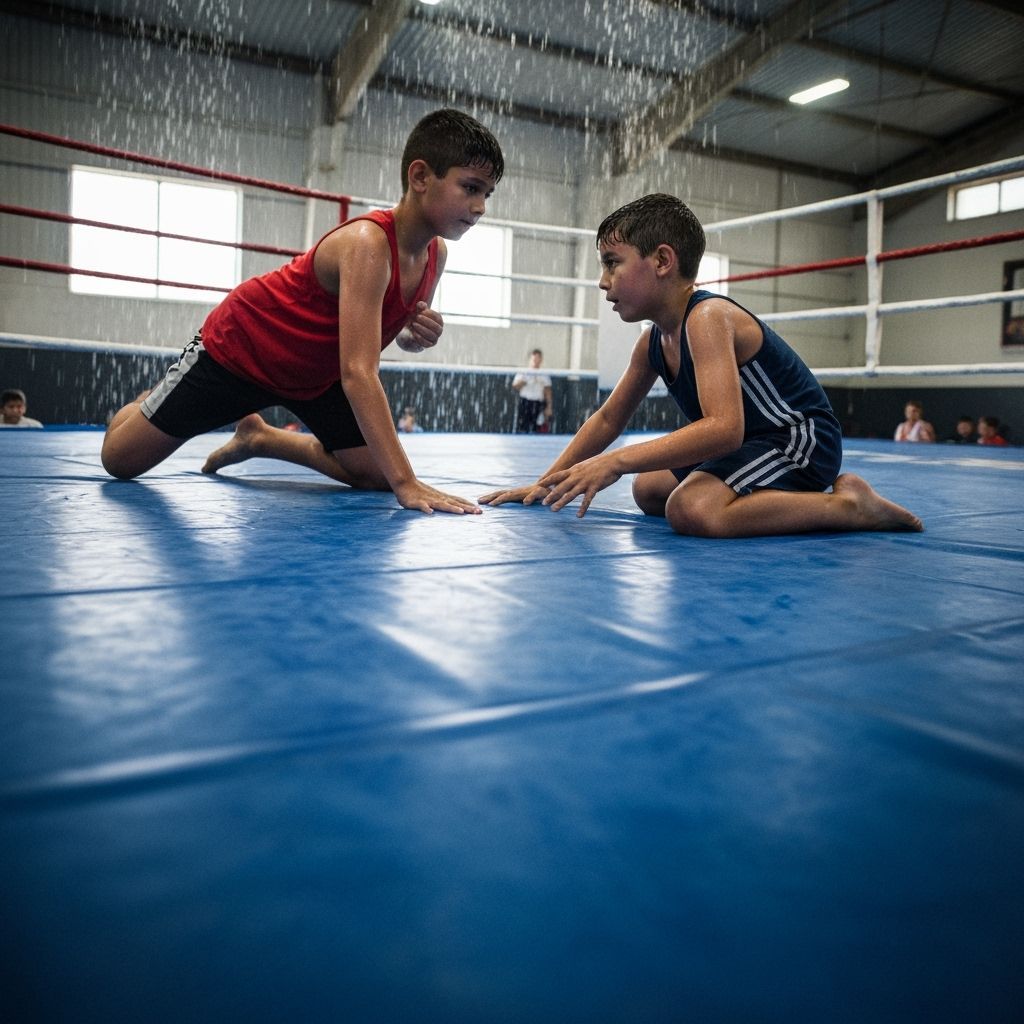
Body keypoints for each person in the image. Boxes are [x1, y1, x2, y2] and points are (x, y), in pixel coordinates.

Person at [100, 109, 503, 515]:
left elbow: (390, 337)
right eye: (470, 187)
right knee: (120, 462)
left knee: (374, 476)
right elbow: (359, 372)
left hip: (317, 374)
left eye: (487, 193)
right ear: (419, 177)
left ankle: (261, 439)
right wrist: (407, 483)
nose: (480, 206)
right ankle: (149, 402)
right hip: (243, 350)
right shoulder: (367, 243)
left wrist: (413, 338)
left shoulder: (437, 254)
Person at [479, 193, 922, 538]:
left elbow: (724, 427)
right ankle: (775, 496)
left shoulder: (707, 318)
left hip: (799, 441)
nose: (602, 280)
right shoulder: (652, 341)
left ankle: (849, 508)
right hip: (750, 444)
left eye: (613, 262)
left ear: (662, 261)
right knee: (648, 489)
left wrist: (614, 461)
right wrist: (546, 483)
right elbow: (610, 417)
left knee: (691, 508)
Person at [512, 349, 553, 433]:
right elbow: (515, 386)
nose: (536, 361)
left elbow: (548, 392)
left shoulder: (544, 374)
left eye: (538, 359)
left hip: (538, 404)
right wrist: (525, 380)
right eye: (534, 359)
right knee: (523, 427)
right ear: (530, 359)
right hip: (525, 402)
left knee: (537, 427)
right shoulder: (523, 372)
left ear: (541, 360)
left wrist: (549, 407)